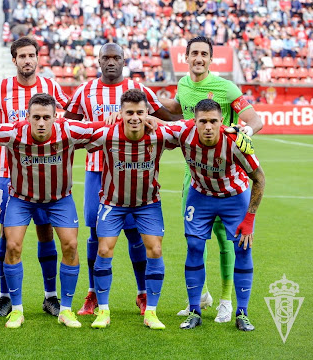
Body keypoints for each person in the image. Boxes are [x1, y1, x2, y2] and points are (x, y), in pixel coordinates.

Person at [0, 93, 99, 328]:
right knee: (12, 246)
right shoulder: (14, 132)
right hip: (21, 199)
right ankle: (16, 310)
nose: (41, 123)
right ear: (28, 116)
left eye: (46, 117)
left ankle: (66, 310)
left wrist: (127, 119)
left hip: (59, 200)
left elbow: (101, 128)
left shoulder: (70, 130)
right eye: (36, 117)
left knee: (71, 246)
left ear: (56, 117)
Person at [65, 43, 180, 317]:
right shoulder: (85, 91)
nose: (111, 62)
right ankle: (93, 293)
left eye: (117, 57)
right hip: (97, 172)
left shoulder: (140, 92)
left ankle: (142, 294)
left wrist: (151, 119)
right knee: (95, 232)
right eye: (106, 58)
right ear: (99, 61)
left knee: (135, 233)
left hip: (135, 173)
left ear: (125, 60)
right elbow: (67, 127)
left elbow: (171, 119)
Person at [163, 36, 263, 323]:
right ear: (186, 57)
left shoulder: (226, 87)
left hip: (226, 171)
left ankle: (226, 300)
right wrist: (153, 101)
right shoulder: (183, 84)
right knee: (194, 239)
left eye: (204, 54)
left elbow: (255, 119)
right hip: (192, 174)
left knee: (225, 239)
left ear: (210, 59)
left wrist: (246, 133)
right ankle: (201, 296)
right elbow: (176, 111)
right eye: (193, 53)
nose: (198, 58)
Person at [0, 36, 71, 318]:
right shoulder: (1, 88)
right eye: (21, 56)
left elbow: (67, 115)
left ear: (38, 57)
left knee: (46, 232)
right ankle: (5, 297)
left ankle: (50, 296)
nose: (27, 60)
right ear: (14, 60)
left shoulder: (51, 87)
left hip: (46, 173)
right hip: (9, 175)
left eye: (31, 55)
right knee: (6, 236)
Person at [84, 89, 180, 330]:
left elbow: (188, 129)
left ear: (147, 112)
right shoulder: (107, 134)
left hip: (147, 204)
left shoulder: (160, 135)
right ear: (120, 113)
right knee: (104, 250)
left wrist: (159, 121)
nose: (135, 117)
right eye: (129, 112)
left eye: (140, 112)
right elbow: (75, 134)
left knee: (155, 250)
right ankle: (104, 311)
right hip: (112, 204)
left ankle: (152, 312)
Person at [173, 99, 265, 331]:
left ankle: (242, 313)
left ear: (221, 121)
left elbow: (260, 179)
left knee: (242, 248)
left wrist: (250, 218)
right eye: (202, 121)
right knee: (194, 246)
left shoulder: (236, 141)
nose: (208, 127)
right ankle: (195, 310)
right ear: (194, 122)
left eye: (213, 121)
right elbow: (154, 123)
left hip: (234, 197)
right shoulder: (182, 133)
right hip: (200, 195)